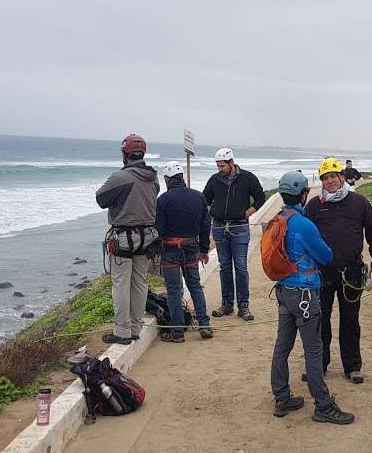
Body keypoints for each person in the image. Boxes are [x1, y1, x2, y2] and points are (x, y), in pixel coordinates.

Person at [269, 171, 356, 425]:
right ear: (304, 194)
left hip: (284, 290)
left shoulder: (279, 218)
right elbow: (326, 256)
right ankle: (323, 405)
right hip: (304, 292)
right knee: (314, 349)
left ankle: (282, 397)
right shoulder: (303, 224)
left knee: (282, 345)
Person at [305, 158, 372, 384]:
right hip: (322, 273)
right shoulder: (314, 206)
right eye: (325, 178)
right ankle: (319, 364)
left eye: (333, 176)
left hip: (351, 272)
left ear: (341, 177)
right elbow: (303, 238)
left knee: (350, 320)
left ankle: (352, 366)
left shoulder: (359, 202)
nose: (329, 181)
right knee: (321, 320)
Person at [95, 134, 160, 345]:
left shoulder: (120, 177)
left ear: (125, 153)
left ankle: (122, 331)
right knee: (139, 283)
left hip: (124, 237)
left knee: (121, 284)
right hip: (147, 237)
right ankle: (135, 327)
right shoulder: (153, 177)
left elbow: (101, 199)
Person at [203, 147, 266, 321]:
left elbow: (260, 197)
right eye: (218, 166)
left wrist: (248, 212)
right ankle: (227, 304)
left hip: (239, 227)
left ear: (231, 163)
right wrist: (213, 211)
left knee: (240, 266)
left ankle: (243, 306)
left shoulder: (247, 178)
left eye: (222, 166)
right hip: (219, 227)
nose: (220, 169)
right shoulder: (215, 180)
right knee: (224, 267)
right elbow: (204, 199)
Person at [156, 161, 213, 343]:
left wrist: (156, 252)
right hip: (192, 247)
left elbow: (159, 229)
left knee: (173, 291)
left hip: (170, 248)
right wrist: (204, 249)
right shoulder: (198, 197)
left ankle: (178, 332)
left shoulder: (163, 200)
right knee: (195, 286)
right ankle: (204, 325)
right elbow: (205, 225)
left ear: (167, 179)